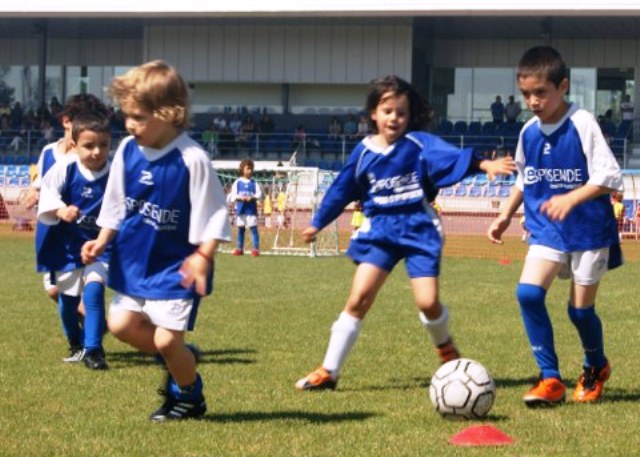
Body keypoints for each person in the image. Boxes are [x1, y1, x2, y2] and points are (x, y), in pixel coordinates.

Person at [295, 75, 515, 391]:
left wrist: (484, 166)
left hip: (418, 230)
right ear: (373, 113)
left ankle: (445, 347)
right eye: (387, 111)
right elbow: (342, 188)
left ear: (410, 116)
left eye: (401, 112)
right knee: (358, 298)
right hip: (379, 232)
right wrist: (318, 222)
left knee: (427, 302)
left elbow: (451, 156)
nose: (394, 118)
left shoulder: (418, 145)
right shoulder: (363, 152)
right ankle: (328, 370)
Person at [81, 60, 231, 422]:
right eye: (127, 116)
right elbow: (115, 203)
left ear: (170, 113)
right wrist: (102, 241)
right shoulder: (128, 153)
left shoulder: (192, 158)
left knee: (165, 341)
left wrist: (203, 256)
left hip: (177, 266)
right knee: (120, 325)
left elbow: (215, 213)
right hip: (135, 260)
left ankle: (189, 396)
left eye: (139, 117)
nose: (130, 125)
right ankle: (182, 359)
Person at [487, 46, 623, 407]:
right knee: (528, 294)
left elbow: (610, 177)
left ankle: (596, 365)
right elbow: (524, 179)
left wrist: (571, 198)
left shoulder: (582, 123)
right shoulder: (529, 132)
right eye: (526, 94)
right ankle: (550, 379)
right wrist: (504, 215)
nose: (533, 101)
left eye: (541, 93)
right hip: (547, 229)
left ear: (562, 86)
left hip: (589, 232)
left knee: (579, 312)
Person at [37, 111, 112, 369]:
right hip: (68, 248)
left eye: (103, 145)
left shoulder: (115, 175)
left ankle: (94, 350)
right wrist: (60, 211)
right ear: (74, 145)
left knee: (93, 289)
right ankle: (76, 342)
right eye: (89, 145)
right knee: (67, 303)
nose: (96, 151)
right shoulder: (66, 169)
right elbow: (46, 194)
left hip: (100, 247)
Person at [29, 93, 111, 306]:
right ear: (66, 121)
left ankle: (93, 327)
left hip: (82, 234)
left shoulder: (90, 160)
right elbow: (41, 184)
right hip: (52, 236)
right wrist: (33, 193)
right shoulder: (49, 152)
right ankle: (89, 324)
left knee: (88, 287)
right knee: (54, 290)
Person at [229, 158, 262, 256]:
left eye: (251, 169)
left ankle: (255, 249)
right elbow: (233, 196)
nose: (250, 171)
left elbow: (259, 194)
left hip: (251, 210)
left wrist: (252, 197)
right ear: (242, 169)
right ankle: (240, 248)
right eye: (248, 169)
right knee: (241, 229)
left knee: (253, 229)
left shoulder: (254, 183)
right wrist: (240, 198)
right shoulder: (238, 182)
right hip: (240, 210)